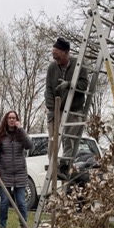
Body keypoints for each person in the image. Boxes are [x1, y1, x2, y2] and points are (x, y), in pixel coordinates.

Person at [44, 37, 89, 176]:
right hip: (57, 110)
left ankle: (64, 165)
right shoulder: (52, 68)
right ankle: (53, 165)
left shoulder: (78, 65)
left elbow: (84, 85)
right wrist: (51, 109)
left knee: (68, 139)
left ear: (66, 52)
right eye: (53, 55)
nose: (55, 58)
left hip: (74, 110)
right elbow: (49, 89)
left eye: (57, 55)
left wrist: (70, 85)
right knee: (53, 139)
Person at [0, 111, 34, 228]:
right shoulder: (1, 136)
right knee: (4, 202)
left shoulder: (21, 134)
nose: (11, 120)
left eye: (14, 118)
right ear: (6, 120)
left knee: (21, 202)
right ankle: (2, 226)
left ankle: (23, 226)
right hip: (5, 174)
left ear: (17, 120)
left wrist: (21, 129)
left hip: (20, 173)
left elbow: (29, 145)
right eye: (9, 118)